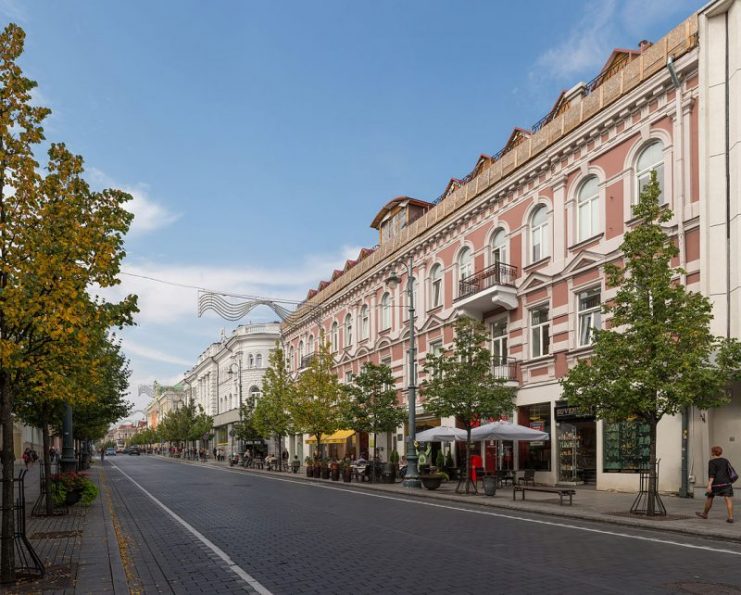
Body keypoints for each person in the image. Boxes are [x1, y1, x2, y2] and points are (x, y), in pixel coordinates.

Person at [696, 445, 734, 523]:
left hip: (716, 484)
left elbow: (712, 475)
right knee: (728, 499)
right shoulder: (725, 460)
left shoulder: (712, 462)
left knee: (710, 497)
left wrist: (709, 485)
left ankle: (705, 514)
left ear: (713, 453)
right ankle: (730, 517)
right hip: (726, 483)